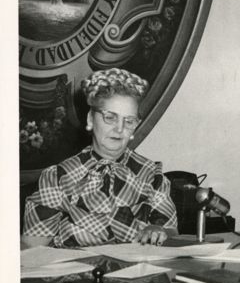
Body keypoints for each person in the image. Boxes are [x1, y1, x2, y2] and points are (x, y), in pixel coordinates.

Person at [21, 68, 178, 248]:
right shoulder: (58, 178)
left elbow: (172, 235)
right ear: (90, 119)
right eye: (110, 117)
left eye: (129, 121)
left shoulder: (152, 175)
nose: (119, 129)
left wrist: (158, 230)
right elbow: (30, 250)